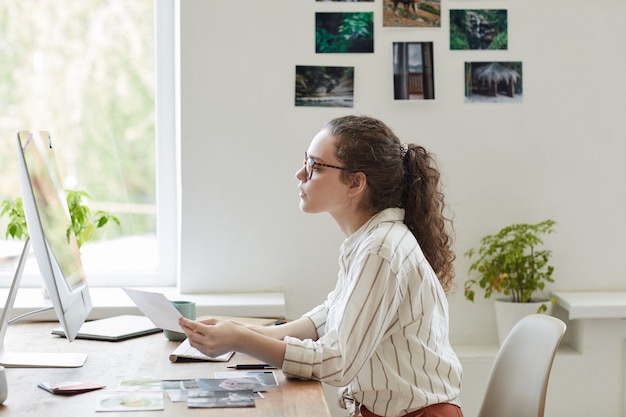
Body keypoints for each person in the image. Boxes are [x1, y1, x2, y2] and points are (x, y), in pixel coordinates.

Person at [178, 115, 464, 417]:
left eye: (315, 166)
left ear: (355, 182)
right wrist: (247, 331)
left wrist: (241, 339)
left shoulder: (381, 249)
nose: (300, 174)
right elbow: (330, 315)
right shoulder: (370, 240)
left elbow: (337, 361)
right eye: (306, 161)